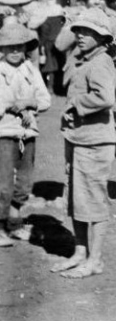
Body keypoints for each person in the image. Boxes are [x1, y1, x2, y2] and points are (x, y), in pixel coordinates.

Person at [51, 9, 116, 278]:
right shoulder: (83, 59)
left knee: (94, 199)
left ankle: (95, 259)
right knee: (77, 197)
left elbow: (104, 98)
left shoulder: (101, 62)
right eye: (78, 30)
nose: (79, 35)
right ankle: (80, 252)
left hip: (96, 142)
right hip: (79, 137)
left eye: (87, 31)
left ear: (101, 36)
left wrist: (76, 105)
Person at [0, 22, 51, 246]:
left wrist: (30, 104)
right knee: (3, 183)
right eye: (9, 47)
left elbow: (45, 99)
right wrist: (13, 105)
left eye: (19, 47)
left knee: (25, 180)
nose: (14, 51)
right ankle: (0, 225)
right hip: (4, 131)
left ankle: (14, 221)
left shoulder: (31, 69)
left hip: (27, 133)